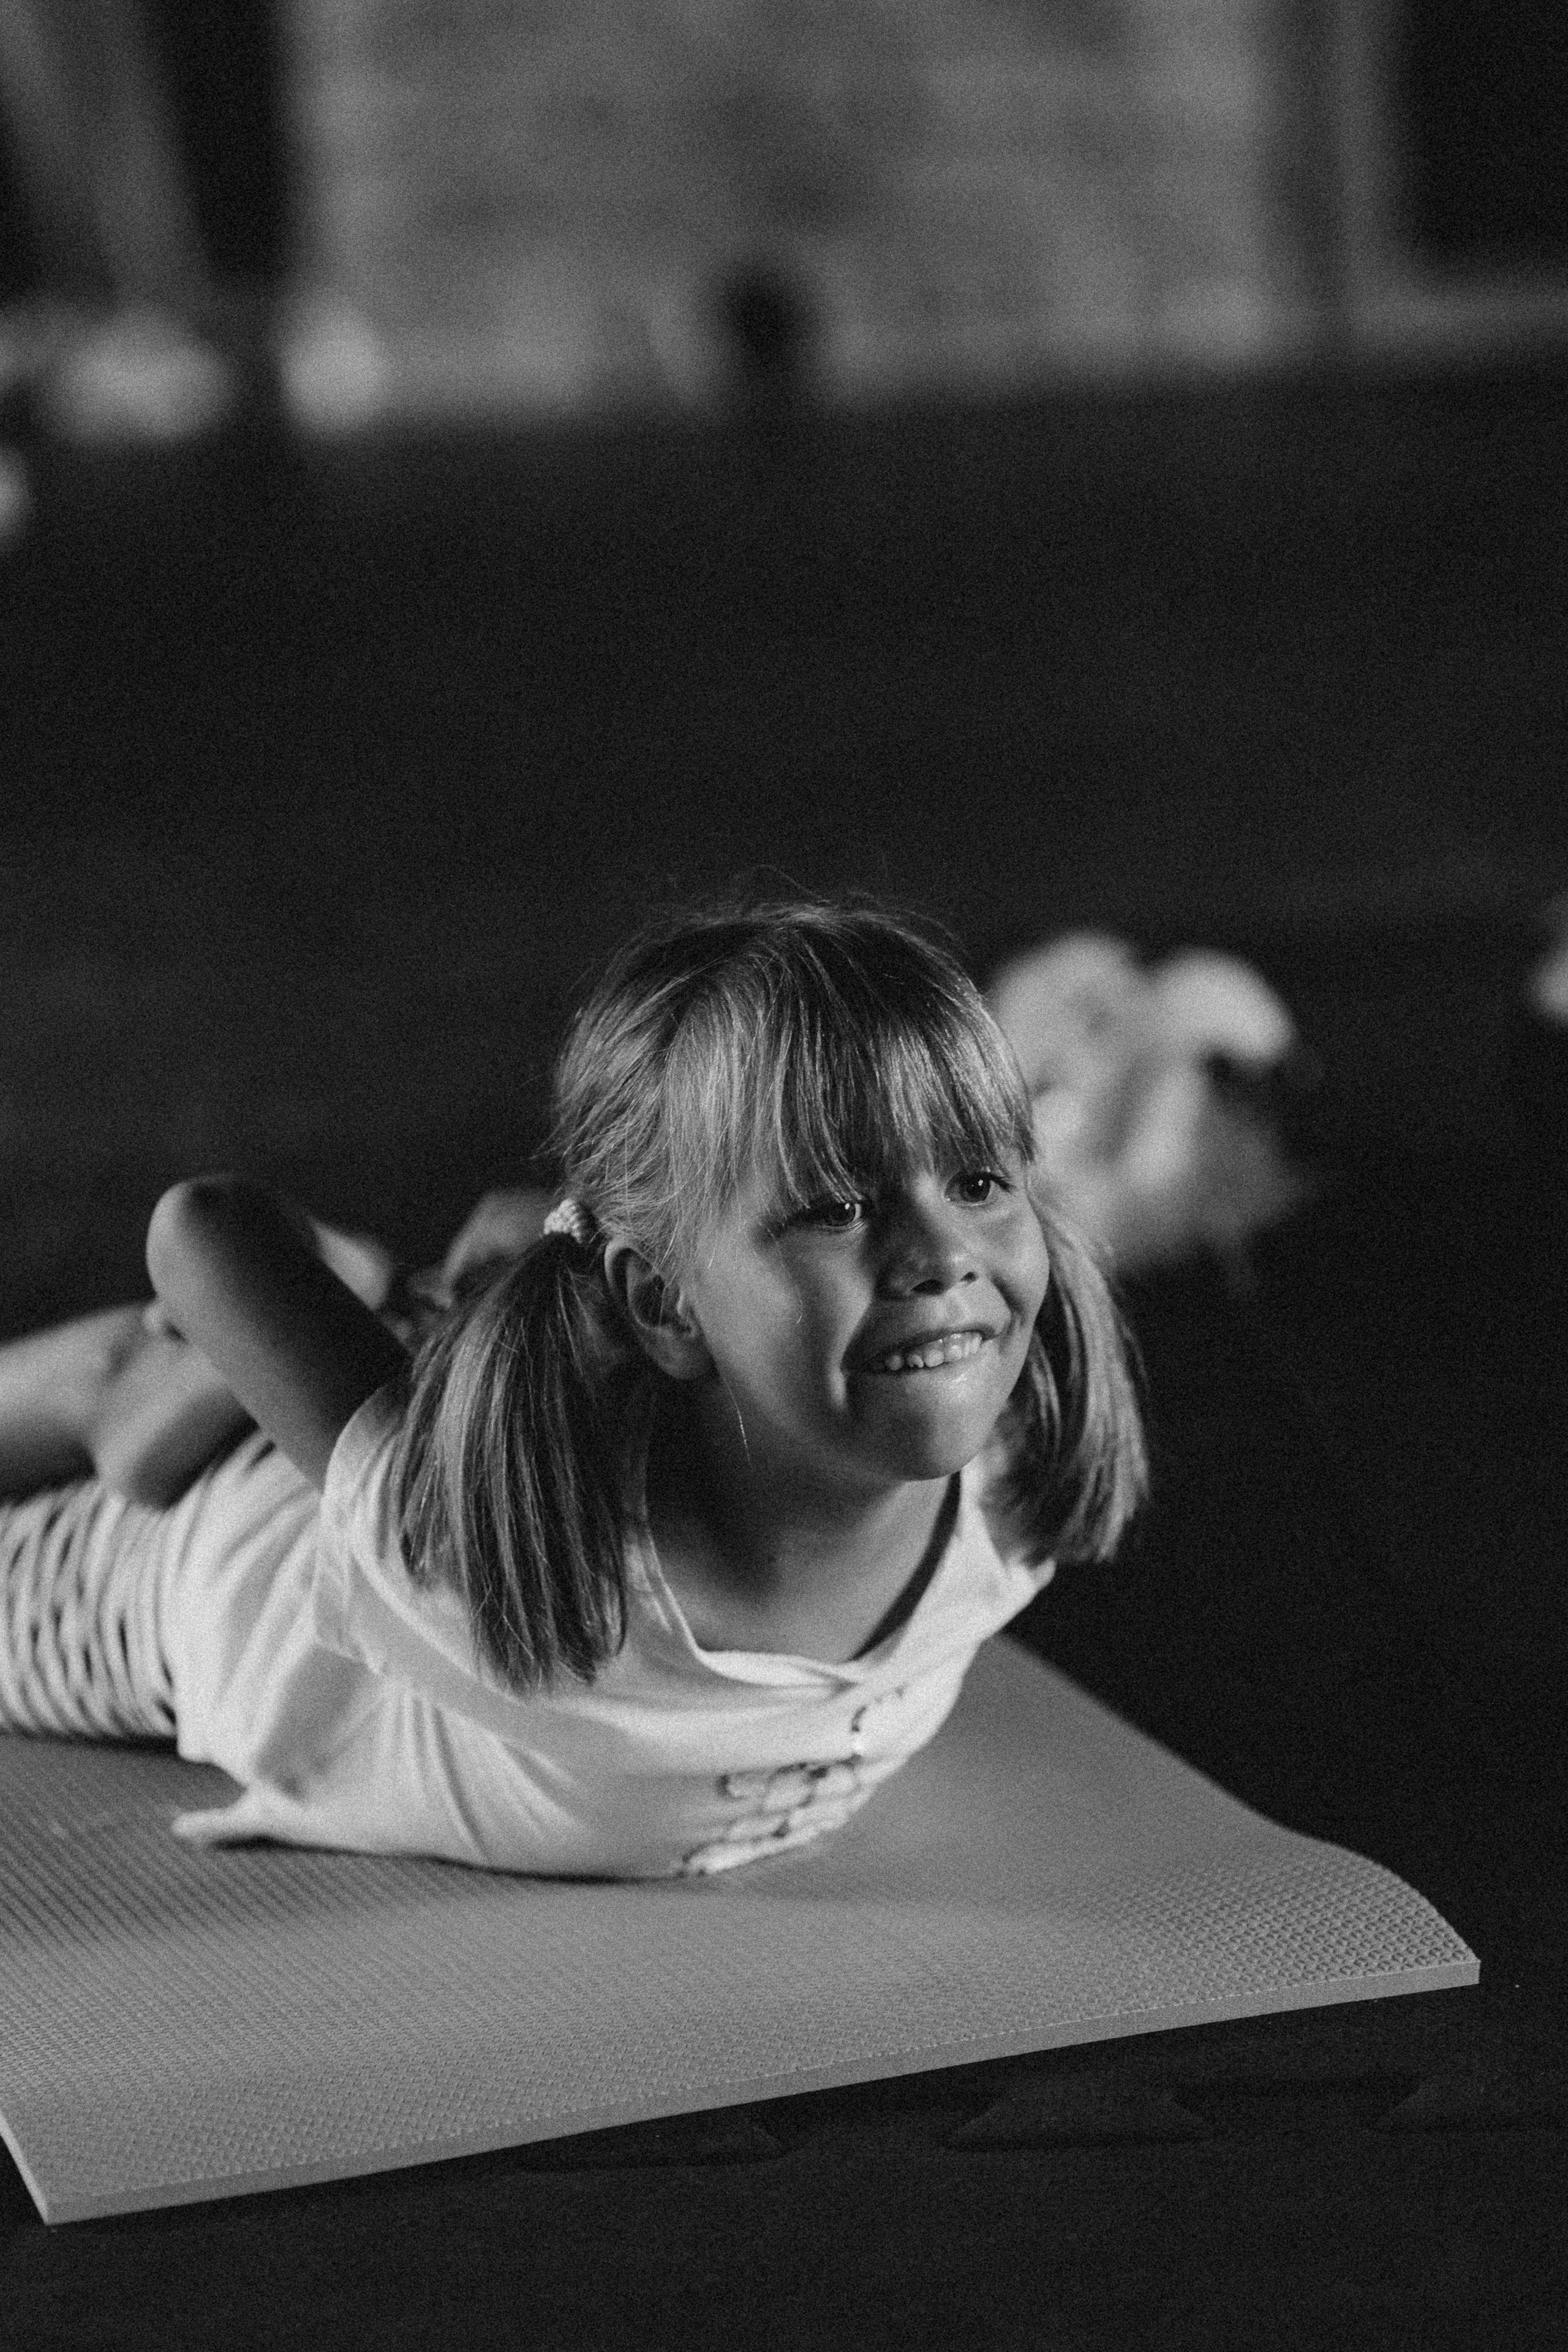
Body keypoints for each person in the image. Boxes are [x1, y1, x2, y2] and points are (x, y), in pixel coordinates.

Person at [0, 896, 1146, 1878]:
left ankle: (392, 1313)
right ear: (667, 1304)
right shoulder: (507, 1568)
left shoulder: (1015, 1472)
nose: (942, 1257)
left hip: (480, 1410)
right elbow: (202, 1229)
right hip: (211, 1575)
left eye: (979, 1181)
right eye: (837, 1208)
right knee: (135, 1405)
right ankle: (158, 1384)